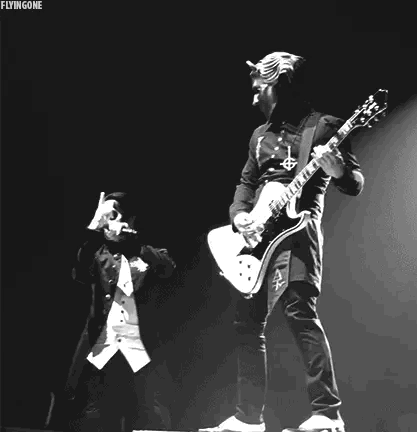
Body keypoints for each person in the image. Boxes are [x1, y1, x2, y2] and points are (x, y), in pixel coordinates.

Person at [202, 52, 365, 432]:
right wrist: (239, 216)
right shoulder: (259, 136)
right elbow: (246, 184)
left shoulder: (323, 127)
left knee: (299, 313)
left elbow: (355, 183)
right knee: (247, 324)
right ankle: (248, 418)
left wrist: (337, 168)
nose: (253, 98)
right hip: (258, 238)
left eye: (258, 89)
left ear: (277, 86)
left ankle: (327, 413)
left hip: (297, 234)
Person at [51, 191, 177, 432]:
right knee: (93, 414)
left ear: (131, 219)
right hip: (103, 344)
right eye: (107, 216)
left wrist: (133, 243)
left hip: (142, 348)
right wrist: (93, 227)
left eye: (116, 215)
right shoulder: (97, 253)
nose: (111, 221)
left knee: (150, 413)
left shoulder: (147, 251)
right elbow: (79, 272)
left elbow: (167, 269)